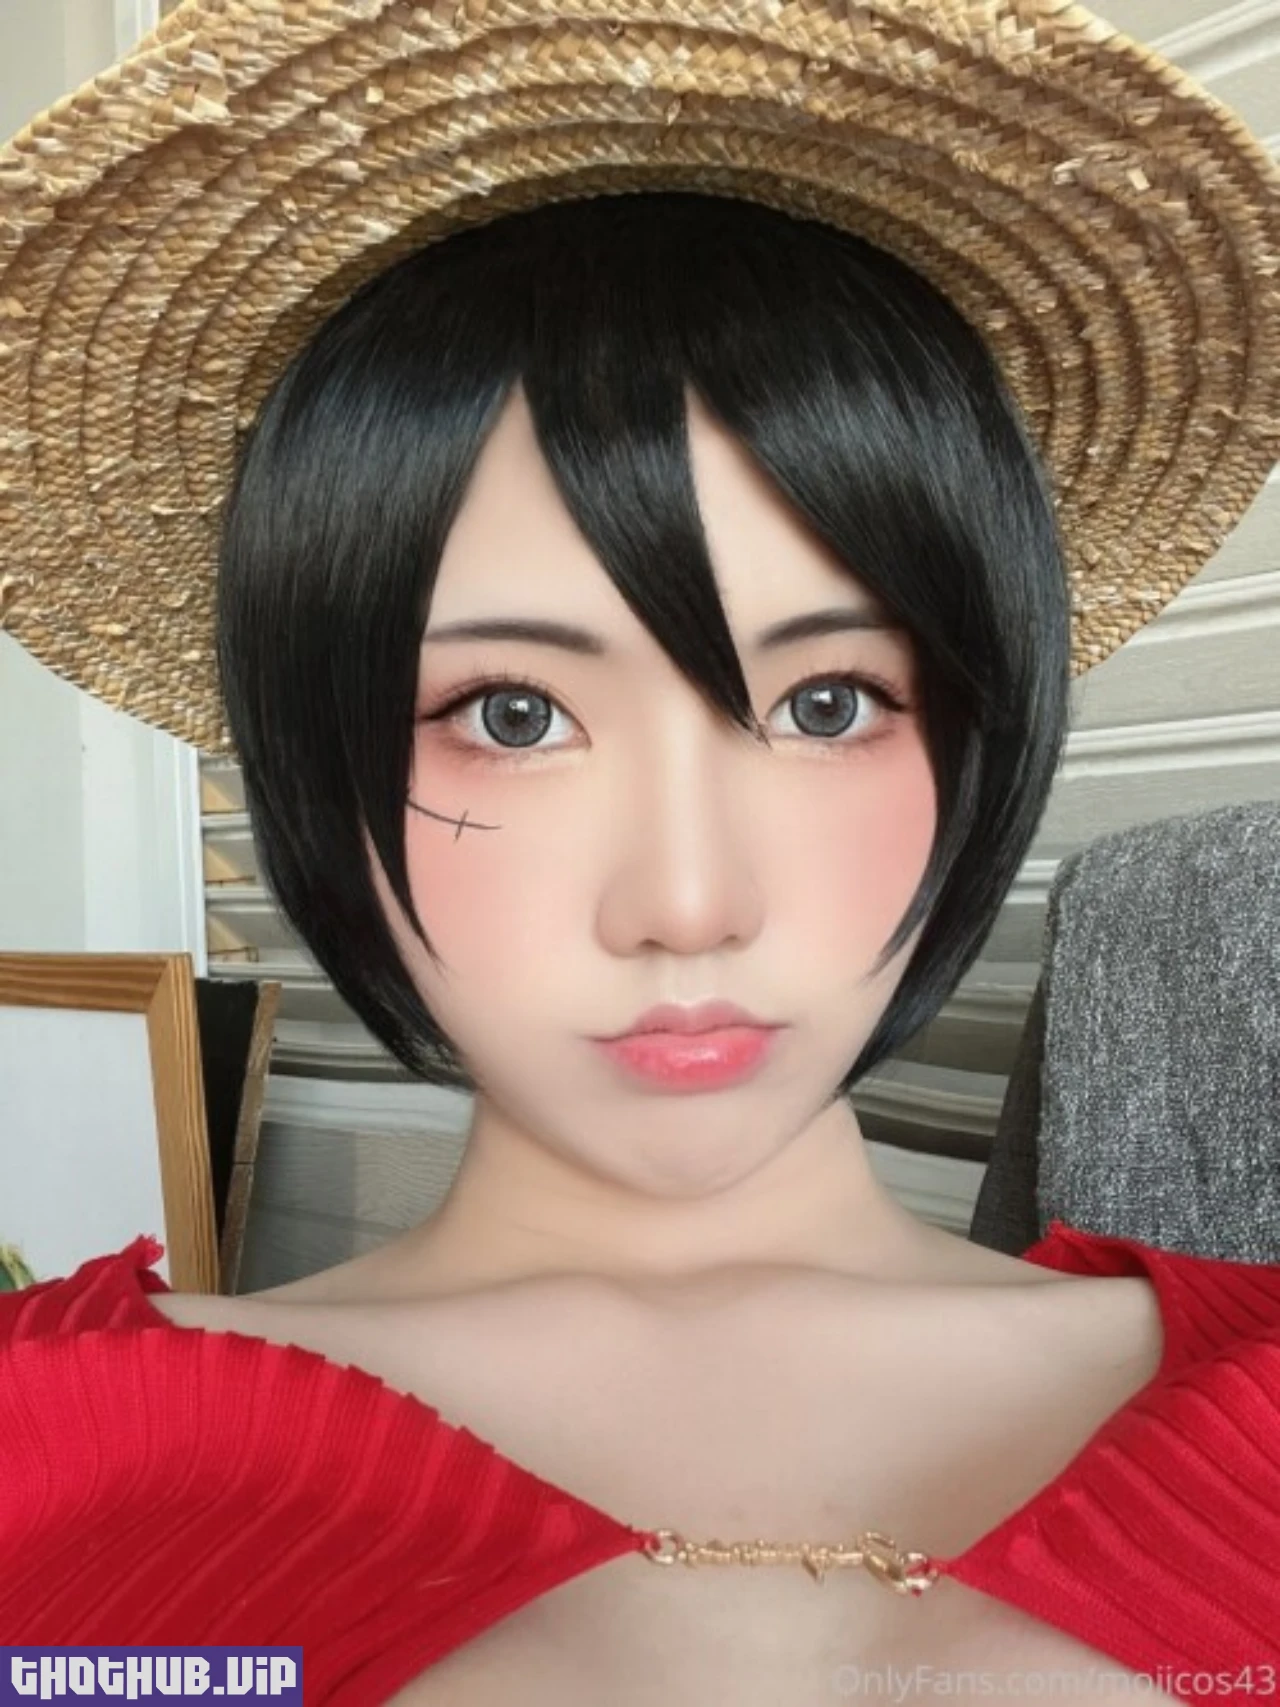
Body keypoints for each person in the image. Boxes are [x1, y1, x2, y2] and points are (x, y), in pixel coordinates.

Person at [1, 3, 1279, 1703]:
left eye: (827, 702)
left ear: (978, 725)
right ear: (316, 749)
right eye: (513, 714)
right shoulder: (46, 1456)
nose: (689, 902)